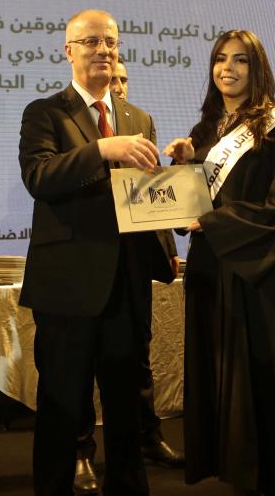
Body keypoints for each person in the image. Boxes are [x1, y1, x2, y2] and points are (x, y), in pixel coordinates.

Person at [19, 9, 175, 496]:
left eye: (110, 42)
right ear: (69, 51)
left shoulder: (138, 118)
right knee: (62, 402)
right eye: (90, 42)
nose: (102, 50)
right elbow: (38, 177)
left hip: (126, 284)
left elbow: (144, 197)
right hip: (67, 287)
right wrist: (103, 151)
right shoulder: (45, 112)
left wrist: (180, 180)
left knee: (126, 405)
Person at [165, 29, 275, 494]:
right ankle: (232, 466)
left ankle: (269, 475)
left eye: (240, 60)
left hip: (260, 273)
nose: (227, 68)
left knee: (263, 374)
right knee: (219, 371)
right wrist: (185, 165)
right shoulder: (205, 130)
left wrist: (215, 222)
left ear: (257, 68)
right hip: (214, 270)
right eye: (220, 59)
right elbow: (193, 204)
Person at [74, 56, 184, 495]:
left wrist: (168, 248)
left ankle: (147, 437)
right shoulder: (72, 120)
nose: (117, 85)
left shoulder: (141, 122)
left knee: (137, 360)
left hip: (134, 266)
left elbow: (151, 190)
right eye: (113, 79)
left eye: (123, 79)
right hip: (86, 266)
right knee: (81, 367)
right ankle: (81, 452)